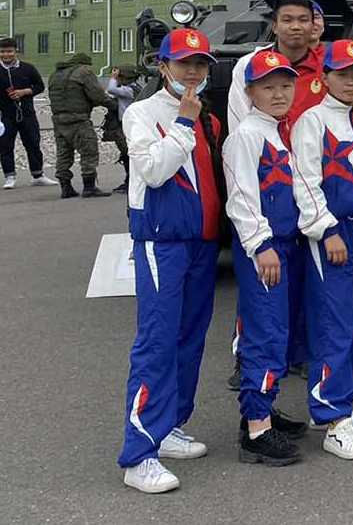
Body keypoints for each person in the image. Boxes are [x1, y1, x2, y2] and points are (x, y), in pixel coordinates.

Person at [116, 28, 225, 494]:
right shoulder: (143, 112)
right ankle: (138, 454)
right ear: (162, 66)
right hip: (162, 242)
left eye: (200, 64)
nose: (193, 72)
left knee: (189, 339)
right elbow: (154, 170)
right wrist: (183, 123)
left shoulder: (208, 116)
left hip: (201, 243)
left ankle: (170, 425)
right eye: (183, 63)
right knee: (157, 343)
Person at [290, 39, 353, 460]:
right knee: (334, 322)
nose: (350, 81)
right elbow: (305, 180)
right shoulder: (312, 120)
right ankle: (332, 415)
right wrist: (326, 231)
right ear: (324, 76)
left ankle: (336, 400)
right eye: (342, 73)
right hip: (333, 232)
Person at [222, 50, 308, 467]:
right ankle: (256, 430)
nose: (278, 94)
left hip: (285, 244)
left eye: (285, 86)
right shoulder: (246, 136)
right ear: (250, 92)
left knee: (280, 331)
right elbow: (240, 199)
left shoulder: (278, 131)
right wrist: (261, 245)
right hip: (265, 248)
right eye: (267, 87)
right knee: (266, 333)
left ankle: (261, 412)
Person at [228, 0, 326, 137]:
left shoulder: (328, 68)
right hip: (265, 154)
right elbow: (239, 119)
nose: (296, 27)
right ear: (274, 26)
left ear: (312, 26)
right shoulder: (249, 64)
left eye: (303, 20)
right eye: (287, 20)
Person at [47, 51, 114, 198]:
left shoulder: (55, 75)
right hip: (78, 119)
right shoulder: (84, 72)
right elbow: (97, 95)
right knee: (89, 151)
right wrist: (112, 104)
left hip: (58, 120)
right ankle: (89, 187)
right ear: (84, 63)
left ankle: (66, 188)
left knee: (63, 153)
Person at [1, 37, 57, 189]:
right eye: (3, 52)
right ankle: (9, 176)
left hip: (27, 113)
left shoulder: (28, 68)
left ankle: (38, 175)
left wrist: (25, 91)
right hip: (5, 115)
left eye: (9, 51)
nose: (6, 55)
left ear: (15, 51)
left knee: (33, 143)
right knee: (5, 146)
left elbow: (39, 86)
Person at [105, 67, 141, 193]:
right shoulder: (136, 88)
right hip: (132, 124)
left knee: (127, 154)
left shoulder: (128, 90)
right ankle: (130, 180)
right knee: (128, 153)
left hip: (127, 125)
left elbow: (110, 90)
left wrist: (113, 78)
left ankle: (130, 181)